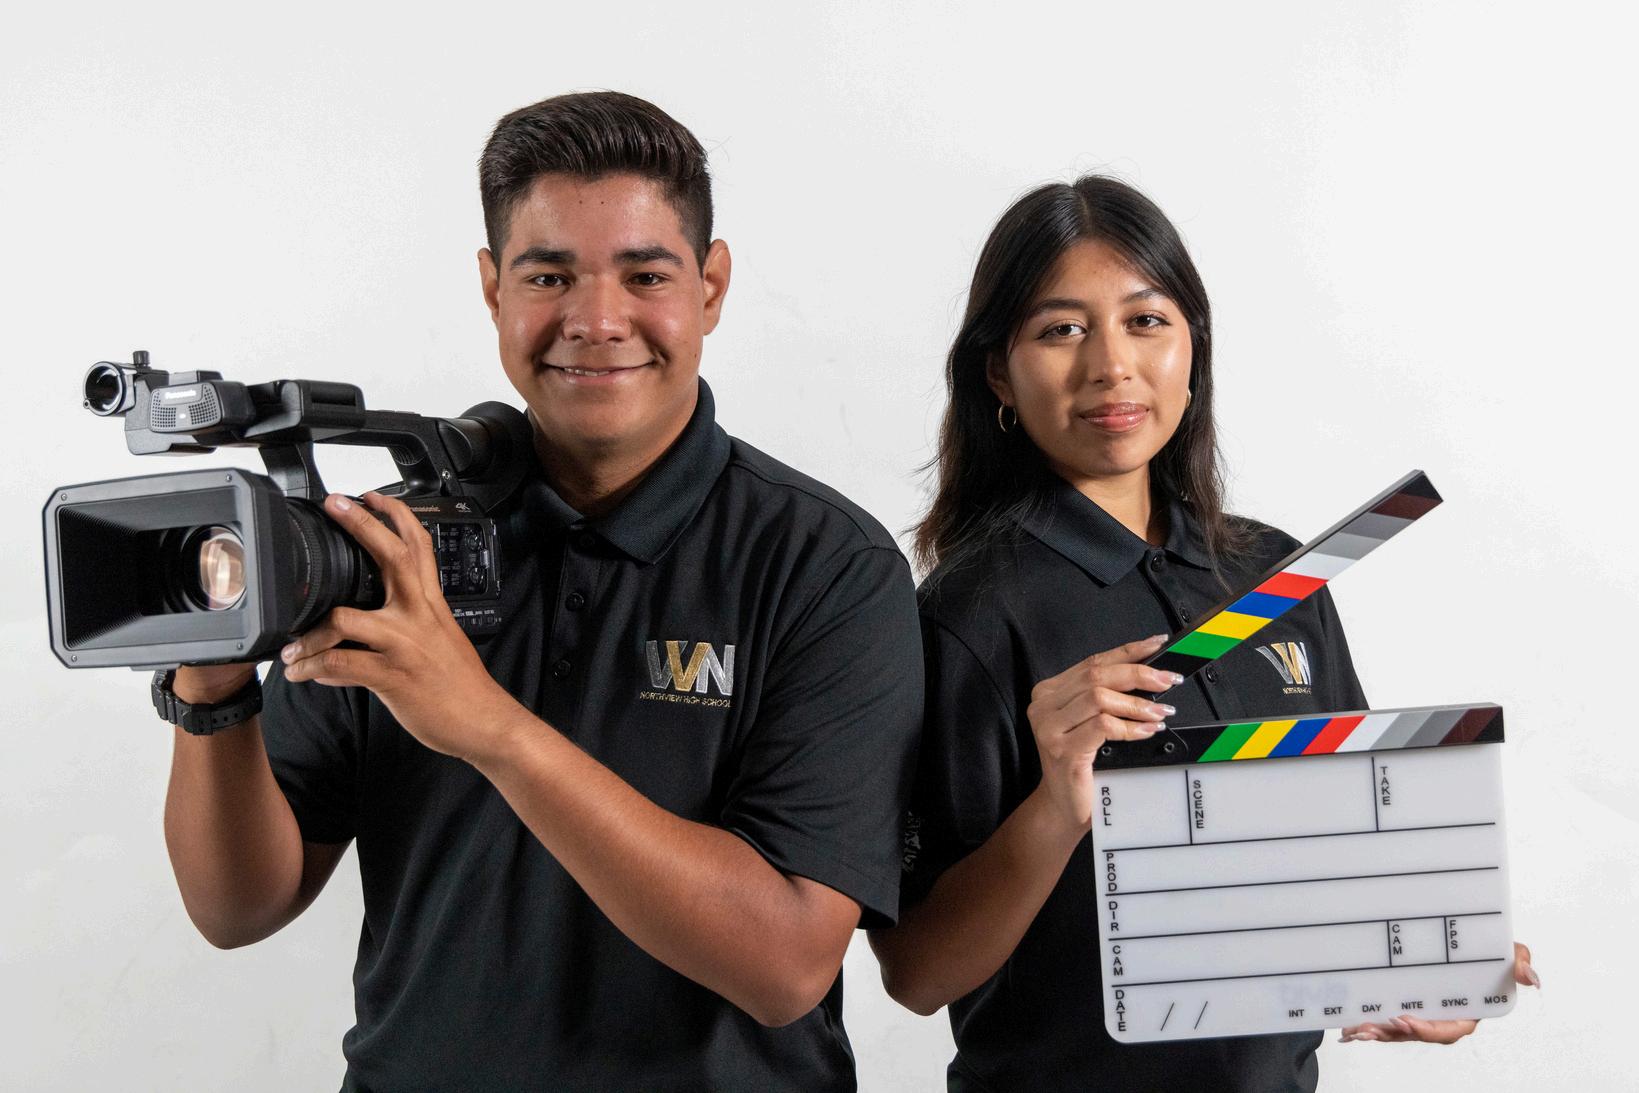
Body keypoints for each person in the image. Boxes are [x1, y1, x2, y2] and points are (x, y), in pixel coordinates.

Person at [158, 91, 923, 1091]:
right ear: (493, 288)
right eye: (548, 275)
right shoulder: (391, 549)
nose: (595, 320)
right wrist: (212, 689)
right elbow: (238, 907)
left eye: (645, 275)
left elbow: (785, 963)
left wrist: (488, 726)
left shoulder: (826, 566)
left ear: (711, 286)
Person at [867, 175, 1537, 1091]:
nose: (1111, 365)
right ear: (998, 373)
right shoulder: (967, 615)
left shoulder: (1275, 572)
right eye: (1060, 329)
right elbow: (916, 973)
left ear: (1194, 347)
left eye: (1145, 320)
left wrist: (1427, 962)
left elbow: (1355, 854)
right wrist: (1056, 804)